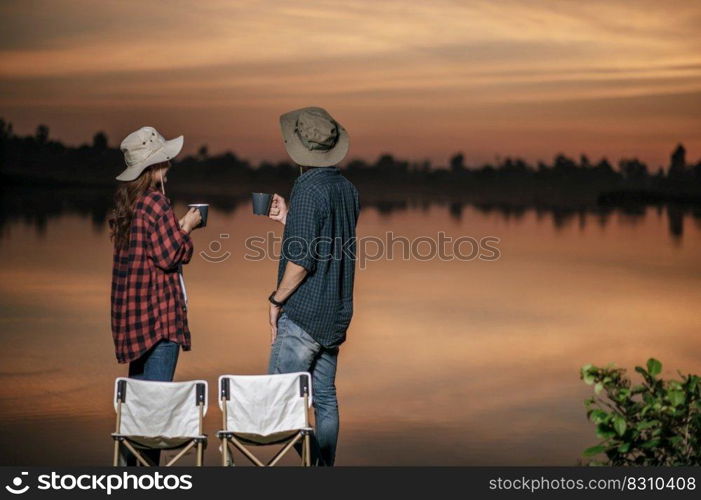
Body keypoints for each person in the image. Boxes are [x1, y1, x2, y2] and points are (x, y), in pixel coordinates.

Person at [267, 107, 359, 466]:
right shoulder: (347, 189)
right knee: (324, 399)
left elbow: (301, 262)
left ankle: (310, 463)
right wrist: (289, 219)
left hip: (304, 316)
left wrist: (275, 300)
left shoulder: (307, 189)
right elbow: (327, 241)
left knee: (277, 401)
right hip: (335, 316)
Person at [109, 126, 201, 465]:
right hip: (160, 321)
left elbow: (151, 250)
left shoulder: (130, 203)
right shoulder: (156, 201)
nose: (171, 162)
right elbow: (169, 256)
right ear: (155, 164)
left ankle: (126, 477)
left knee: (137, 408)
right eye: (166, 158)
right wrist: (187, 228)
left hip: (134, 322)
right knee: (154, 416)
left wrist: (174, 229)